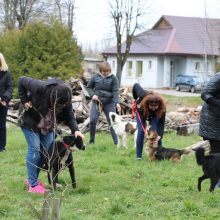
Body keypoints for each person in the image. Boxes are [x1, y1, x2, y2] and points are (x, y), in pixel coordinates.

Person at [18, 76, 84, 194]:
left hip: (48, 124)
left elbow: (69, 115)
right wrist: (24, 100)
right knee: (35, 149)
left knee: (48, 152)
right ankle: (33, 186)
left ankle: (33, 179)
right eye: (60, 105)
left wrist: (76, 130)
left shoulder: (66, 96)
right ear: (54, 98)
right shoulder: (39, 87)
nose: (62, 107)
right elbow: (21, 80)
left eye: (64, 105)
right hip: (29, 119)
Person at [86, 61, 121, 145]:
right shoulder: (95, 77)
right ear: (100, 70)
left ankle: (116, 143)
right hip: (97, 102)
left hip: (109, 102)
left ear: (110, 70)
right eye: (104, 72)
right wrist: (93, 95)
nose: (105, 73)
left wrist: (117, 103)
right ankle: (91, 141)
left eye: (107, 71)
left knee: (112, 122)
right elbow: (89, 87)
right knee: (93, 120)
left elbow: (115, 91)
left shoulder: (113, 78)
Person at [132, 83, 166, 160]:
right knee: (141, 131)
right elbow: (135, 85)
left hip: (155, 115)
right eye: (152, 107)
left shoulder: (162, 108)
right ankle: (138, 156)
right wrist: (135, 98)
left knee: (155, 132)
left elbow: (161, 123)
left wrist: (160, 135)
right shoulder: (141, 98)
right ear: (148, 104)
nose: (153, 109)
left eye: (155, 107)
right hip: (142, 112)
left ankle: (160, 155)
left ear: (159, 105)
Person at [0, 53, 13, 152]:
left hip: (2, 104)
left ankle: (1, 147)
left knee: (1, 125)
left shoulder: (6, 74)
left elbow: (9, 88)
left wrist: (4, 99)